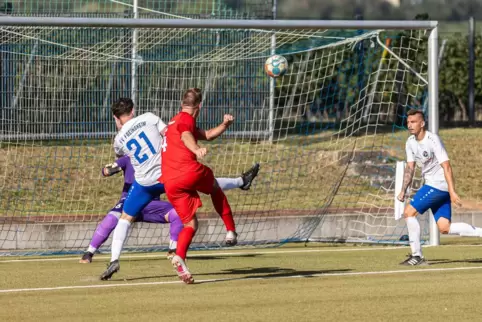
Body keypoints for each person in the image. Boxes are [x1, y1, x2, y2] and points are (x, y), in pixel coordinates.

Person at [80, 156, 259, 264]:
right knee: (113, 218)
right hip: (129, 202)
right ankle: (89, 252)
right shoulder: (128, 158)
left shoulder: (162, 161)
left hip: (151, 205)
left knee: (179, 213)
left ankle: (173, 250)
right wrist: (108, 169)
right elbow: (105, 170)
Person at [160, 88, 237, 284]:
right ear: (200, 106)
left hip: (169, 181)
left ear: (182, 104)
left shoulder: (175, 120)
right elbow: (187, 135)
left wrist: (225, 124)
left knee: (190, 224)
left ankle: (180, 257)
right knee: (214, 187)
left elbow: (208, 134)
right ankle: (230, 231)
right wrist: (196, 149)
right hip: (186, 171)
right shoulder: (186, 120)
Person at [397, 109, 482, 266]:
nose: (409, 125)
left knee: (409, 213)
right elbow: (410, 168)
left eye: (413, 122)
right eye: (408, 122)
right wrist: (403, 189)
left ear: (422, 124)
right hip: (435, 187)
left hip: (438, 186)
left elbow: (447, 166)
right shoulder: (410, 142)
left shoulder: (433, 140)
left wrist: (452, 191)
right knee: (444, 227)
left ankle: (417, 256)